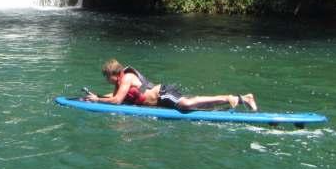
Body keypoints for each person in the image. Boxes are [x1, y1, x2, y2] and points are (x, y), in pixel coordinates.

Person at [85, 59, 258, 111]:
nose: (106, 80)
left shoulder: (127, 78)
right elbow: (114, 96)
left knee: (187, 104)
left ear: (113, 75)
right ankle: (244, 98)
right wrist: (96, 97)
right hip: (162, 102)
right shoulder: (120, 83)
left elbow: (116, 101)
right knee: (198, 106)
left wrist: (98, 101)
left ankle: (228, 97)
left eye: (106, 77)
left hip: (163, 94)